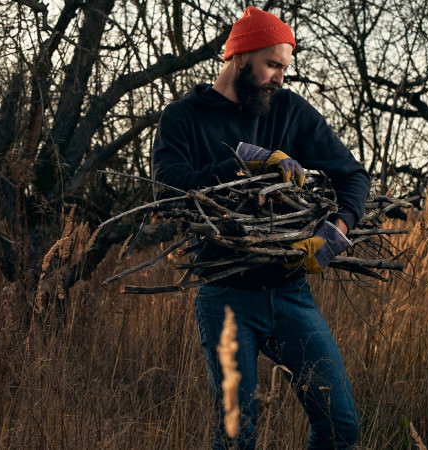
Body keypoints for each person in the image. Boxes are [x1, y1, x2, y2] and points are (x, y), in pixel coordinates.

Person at [151, 6, 371, 449]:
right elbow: (168, 192)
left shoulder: (288, 109)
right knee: (238, 436)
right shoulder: (183, 117)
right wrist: (243, 162)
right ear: (240, 57)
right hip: (225, 294)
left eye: (285, 68)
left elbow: (354, 175)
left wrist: (336, 232)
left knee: (340, 427)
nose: (280, 78)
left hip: (290, 292)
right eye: (273, 65)